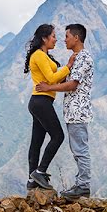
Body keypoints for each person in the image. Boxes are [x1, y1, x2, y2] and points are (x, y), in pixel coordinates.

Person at [36, 23, 93, 200]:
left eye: (67, 36)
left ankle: (83, 186)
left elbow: (73, 84)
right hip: (72, 112)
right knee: (78, 150)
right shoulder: (76, 58)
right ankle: (81, 184)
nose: (64, 39)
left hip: (78, 112)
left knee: (80, 150)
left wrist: (48, 87)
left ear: (76, 38)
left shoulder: (84, 58)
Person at [24, 24, 75, 192]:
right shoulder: (38, 55)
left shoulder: (45, 56)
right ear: (44, 38)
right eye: (53, 36)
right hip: (41, 101)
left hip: (40, 102)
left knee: (36, 142)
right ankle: (40, 171)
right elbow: (51, 78)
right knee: (58, 136)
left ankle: (32, 180)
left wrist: (67, 74)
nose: (56, 39)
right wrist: (68, 66)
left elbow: (54, 79)